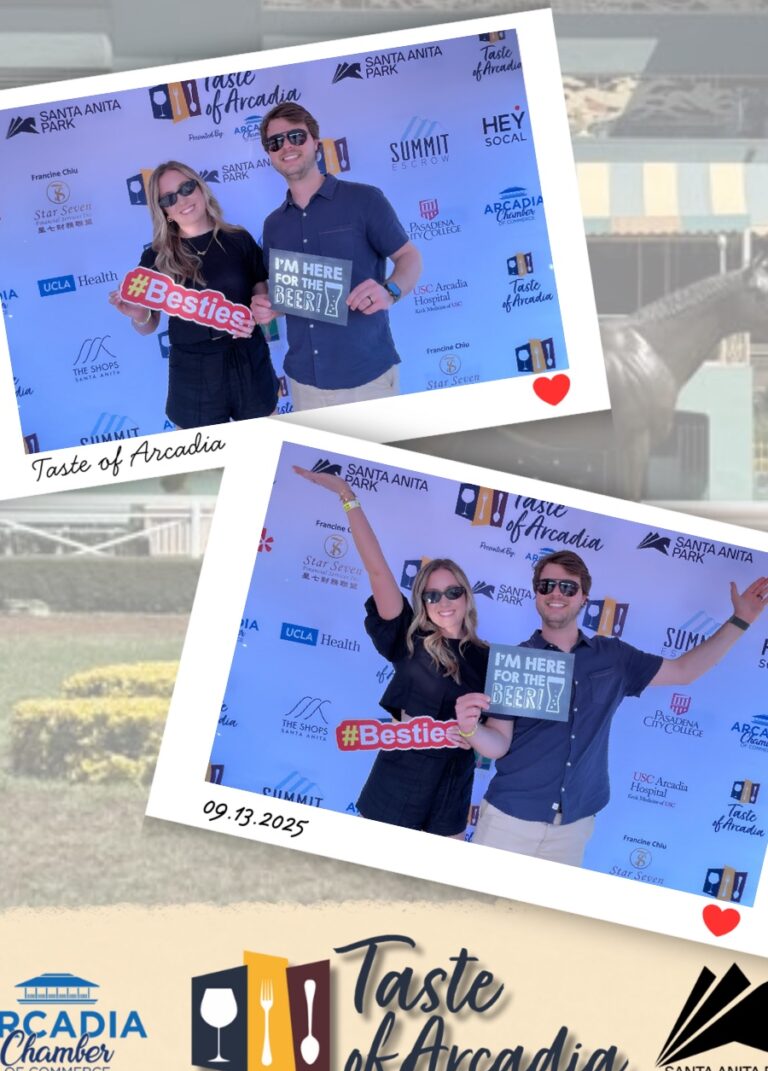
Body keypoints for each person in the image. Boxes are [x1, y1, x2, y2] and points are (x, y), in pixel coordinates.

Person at [456, 549, 768, 867]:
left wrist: (741, 620)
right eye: (546, 585)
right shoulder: (515, 662)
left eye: (568, 587)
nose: (556, 594)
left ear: (583, 598)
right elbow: (497, 743)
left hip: (573, 827)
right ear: (536, 594)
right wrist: (470, 728)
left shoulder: (614, 657)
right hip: (508, 821)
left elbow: (685, 671)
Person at [293, 464, 512, 835]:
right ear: (422, 602)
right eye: (432, 594)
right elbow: (377, 570)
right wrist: (347, 497)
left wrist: (471, 731)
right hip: (395, 786)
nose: (444, 602)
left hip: (450, 793)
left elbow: (498, 745)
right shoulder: (408, 638)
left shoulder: (494, 660)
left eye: (453, 591)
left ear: (467, 597)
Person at [252, 103, 422, 412]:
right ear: (269, 154)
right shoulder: (273, 225)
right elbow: (288, 292)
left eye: (296, 136)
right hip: (304, 384)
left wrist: (391, 291)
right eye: (275, 142)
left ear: (315, 142)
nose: (286, 146)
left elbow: (409, 256)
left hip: (366, 377)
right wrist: (268, 307)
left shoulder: (365, 200)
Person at [109, 161, 279, 429]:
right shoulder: (156, 256)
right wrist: (140, 316)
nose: (182, 200)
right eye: (169, 198)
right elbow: (148, 325)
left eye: (186, 188)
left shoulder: (238, 239)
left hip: (247, 358)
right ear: (163, 210)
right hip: (192, 371)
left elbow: (263, 296)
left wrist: (264, 311)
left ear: (201, 189)